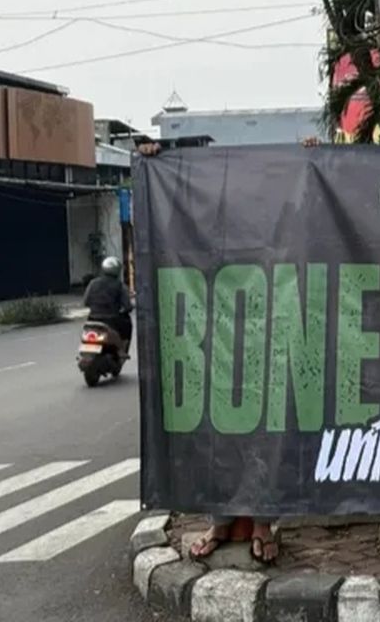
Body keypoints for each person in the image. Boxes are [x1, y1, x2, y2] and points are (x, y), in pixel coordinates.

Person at [137, 141, 279, 564]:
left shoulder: (266, 233)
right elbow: (171, 220)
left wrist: (313, 154)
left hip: (260, 340)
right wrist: (155, 160)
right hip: (211, 345)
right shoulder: (202, 238)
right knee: (214, 436)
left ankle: (262, 524)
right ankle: (219, 521)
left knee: (261, 435)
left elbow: (301, 205)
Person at [83, 256, 132, 351]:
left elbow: (86, 302)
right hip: (112, 321)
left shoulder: (93, 283)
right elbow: (127, 306)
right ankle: (122, 349)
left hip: (92, 319)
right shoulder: (120, 285)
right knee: (127, 323)